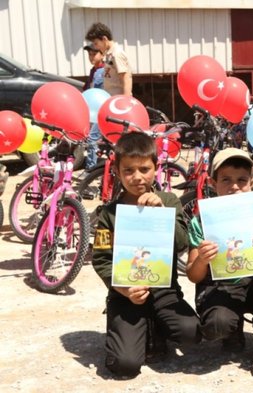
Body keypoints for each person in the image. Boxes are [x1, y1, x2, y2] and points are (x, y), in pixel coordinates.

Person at [91, 132, 200, 377]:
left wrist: (162, 213)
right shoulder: (109, 213)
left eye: (144, 169)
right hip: (126, 293)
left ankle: (156, 329)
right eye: (128, 170)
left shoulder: (170, 200)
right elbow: (100, 259)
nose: (137, 177)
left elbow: (182, 243)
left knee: (190, 333)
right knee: (125, 365)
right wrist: (123, 291)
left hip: (164, 290)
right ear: (117, 172)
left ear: (156, 168)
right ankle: (129, 328)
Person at [186, 148, 253, 376]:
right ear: (213, 182)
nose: (234, 186)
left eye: (242, 180)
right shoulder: (201, 220)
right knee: (216, 327)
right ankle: (232, 329)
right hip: (220, 287)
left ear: (251, 182)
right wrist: (201, 259)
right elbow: (193, 274)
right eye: (226, 180)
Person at [85, 22, 132, 96]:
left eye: (96, 43)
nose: (95, 47)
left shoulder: (116, 54)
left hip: (118, 102)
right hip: (110, 98)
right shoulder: (108, 54)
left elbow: (126, 78)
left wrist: (126, 99)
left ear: (104, 39)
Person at [82, 42, 105, 171]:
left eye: (94, 54)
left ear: (102, 54)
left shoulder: (103, 71)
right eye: (90, 54)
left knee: (92, 139)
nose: (91, 57)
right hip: (94, 110)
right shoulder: (94, 70)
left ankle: (91, 169)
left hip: (101, 110)